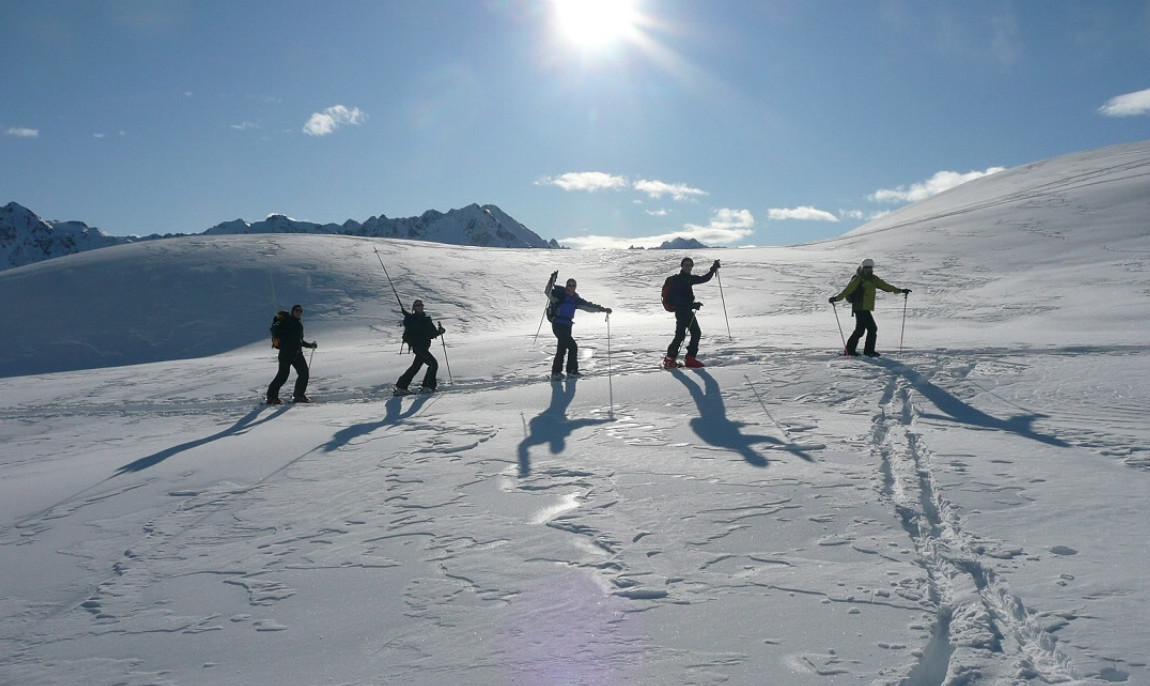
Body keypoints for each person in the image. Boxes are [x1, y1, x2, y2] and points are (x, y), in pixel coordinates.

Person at [829, 258, 911, 357]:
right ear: (863, 267)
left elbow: (886, 286)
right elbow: (848, 290)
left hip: (866, 308)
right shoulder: (858, 278)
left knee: (860, 330)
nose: (868, 269)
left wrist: (900, 290)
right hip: (859, 307)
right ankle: (866, 351)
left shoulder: (874, 279)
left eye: (870, 267)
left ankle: (852, 350)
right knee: (872, 329)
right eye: (866, 267)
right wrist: (836, 298)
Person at [545, 271, 611, 380]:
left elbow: (588, 306)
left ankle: (556, 372)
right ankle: (571, 372)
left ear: (575, 287)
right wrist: (552, 279)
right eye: (569, 285)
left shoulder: (576, 299)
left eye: (573, 285)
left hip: (567, 326)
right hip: (558, 325)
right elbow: (547, 291)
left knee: (561, 349)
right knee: (573, 347)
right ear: (566, 286)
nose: (571, 287)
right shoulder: (559, 296)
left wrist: (602, 309)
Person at [663, 257, 720, 369]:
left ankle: (671, 359)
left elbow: (703, 279)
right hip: (682, 311)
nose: (688, 267)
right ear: (682, 266)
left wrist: (713, 270)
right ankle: (689, 359)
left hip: (685, 311)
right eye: (686, 265)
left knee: (681, 335)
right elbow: (679, 300)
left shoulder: (688, 278)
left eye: (690, 265)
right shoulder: (679, 280)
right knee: (694, 333)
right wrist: (692, 305)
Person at [267, 304, 318, 404]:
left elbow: (299, 341)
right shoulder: (287, 322)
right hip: (286, 354)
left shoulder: (298, 324)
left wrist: (310, 345)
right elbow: (275, 330)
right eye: (297, 310)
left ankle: (299, 395)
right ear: (293, 311)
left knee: (304, 373)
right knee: (282, 376)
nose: (299, 313)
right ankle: (272, 397)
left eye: (300, 311)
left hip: (297, 354)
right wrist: (275, 327)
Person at [394, 299, 446, 395]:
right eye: (417, 305)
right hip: (418, 347)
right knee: (433, 364)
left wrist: (440, 331)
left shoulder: (426, 319)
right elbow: (411, 326)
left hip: (424, 347)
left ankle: (401, 386)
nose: (420, 307)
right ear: (414, 308)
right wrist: (407, 315)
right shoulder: (411, 319)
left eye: (421, 305)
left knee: (415, 367)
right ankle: (427, 386)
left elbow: (431, 334)